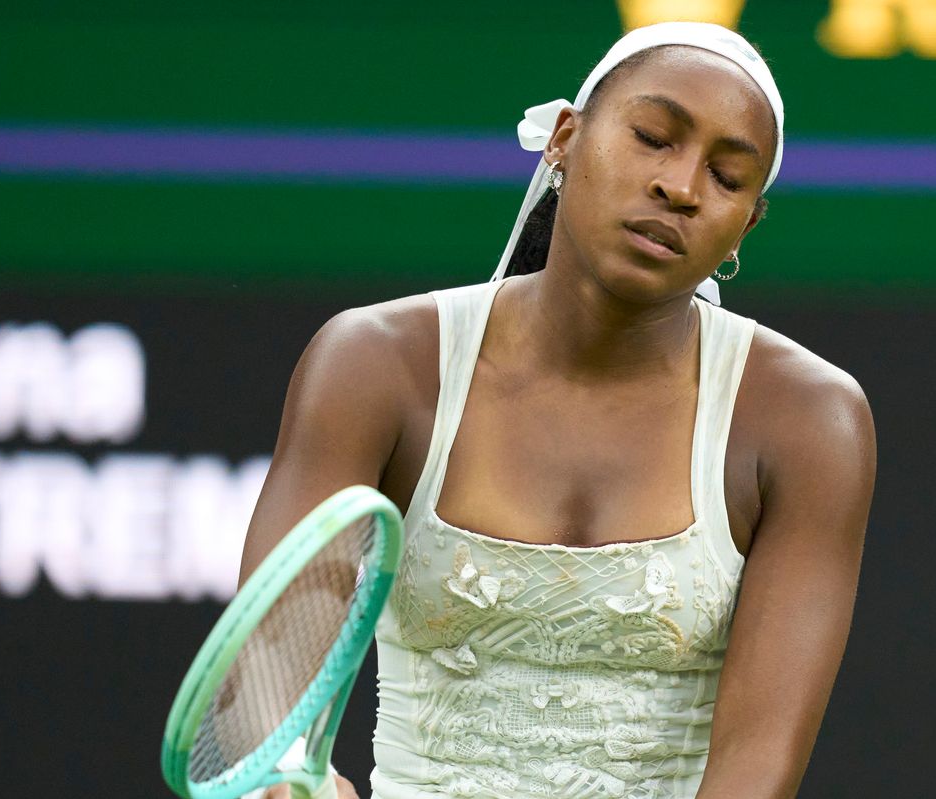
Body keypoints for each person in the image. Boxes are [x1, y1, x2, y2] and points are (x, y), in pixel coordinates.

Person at [248, 21, 876, 799]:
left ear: (745, 225)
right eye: (652, 137)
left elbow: (757, 765)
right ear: (565, 140)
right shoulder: (372, 363)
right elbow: (266, 679)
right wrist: (281, 778)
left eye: (726, 176)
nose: (681, 186)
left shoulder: (811, 422)